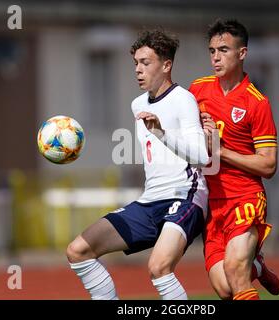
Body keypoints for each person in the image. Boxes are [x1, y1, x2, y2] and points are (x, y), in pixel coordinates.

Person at [66, 29, 209, 300]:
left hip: (185, 197)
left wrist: (162, 134)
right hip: (150, 202)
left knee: (158, 267)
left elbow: (202, 156)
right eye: (136, 63)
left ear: (166, 65)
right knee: (78, 250)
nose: (138, 69)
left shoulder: (183, 99)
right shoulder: (138, 104)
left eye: (146, 62)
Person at [189, 19, 279, 300]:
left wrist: (221, 152)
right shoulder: (197, 91)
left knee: (235, 270)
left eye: (224, 50)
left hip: (245, 197)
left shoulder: (256, 102)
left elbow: (268, 165)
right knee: (225, 288)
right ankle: (257, 265)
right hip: (210, 203)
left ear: (242, 54)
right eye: (212, 50)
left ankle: (247, 264)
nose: (216, 57)